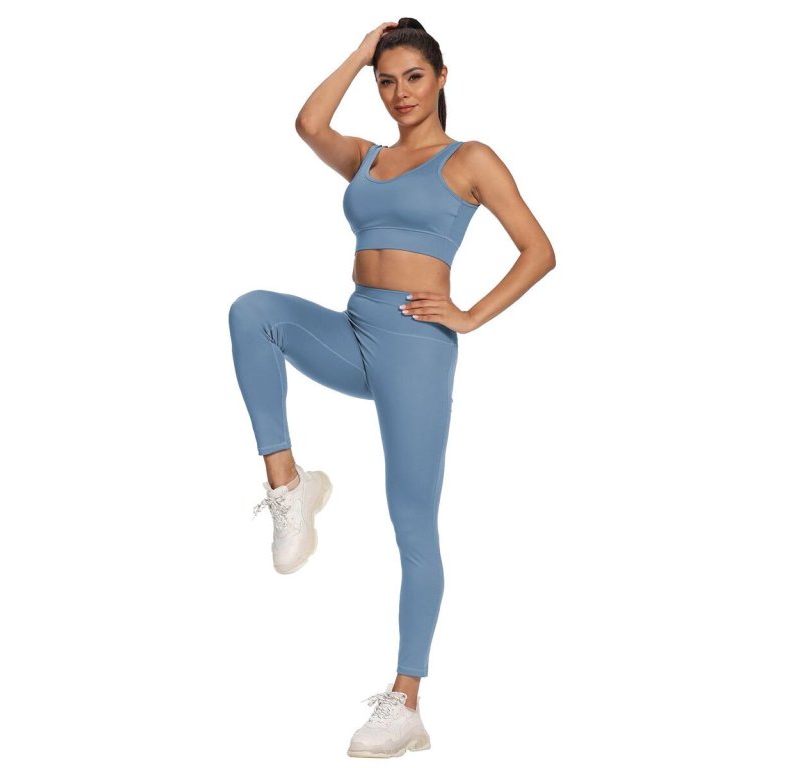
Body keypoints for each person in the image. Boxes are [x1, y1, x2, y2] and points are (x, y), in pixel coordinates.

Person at [228, 18, 556, 758]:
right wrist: (358, 53)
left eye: (413, 76)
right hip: (353, 330)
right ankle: (290, 487)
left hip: (416, 348)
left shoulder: (469, 159)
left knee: (412, 523)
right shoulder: (369, 159)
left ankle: (405, 701)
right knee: (253, 313)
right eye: (386, 80)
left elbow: (539, 250)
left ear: (441, 78)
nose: (399, 92)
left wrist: (469, 315)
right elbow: (310, 125)